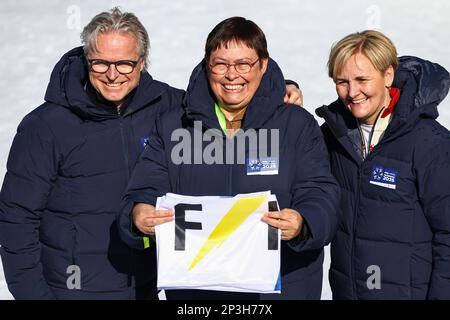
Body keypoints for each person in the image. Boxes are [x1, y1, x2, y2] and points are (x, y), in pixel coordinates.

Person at [0, 8, 302, 300]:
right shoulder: (46, 125)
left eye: (125, 63)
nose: (112, 75)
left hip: (147, 286)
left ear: (142, 62)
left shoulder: (168, 107)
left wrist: (278, 92)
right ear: (86, 59)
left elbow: (226, 89)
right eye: (100, 63)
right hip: (73, 287)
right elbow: (16, 218)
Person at [118, 16, 339, 300]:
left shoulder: (296, 125)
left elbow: (321, 194)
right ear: (207, 66)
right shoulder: (174, 126)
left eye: (243, 64)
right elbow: (143, 190)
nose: (231, 75)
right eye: (220, 64)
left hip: (280, 291)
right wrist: (138, 216)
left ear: (263, 65)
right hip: (198, 297)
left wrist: (303, 222)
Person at [315, 30, 450, 299]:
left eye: (362, 79)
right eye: (342, 82)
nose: (353, 93)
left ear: (388, 75)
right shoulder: (333, 134)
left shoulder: (430, 142)